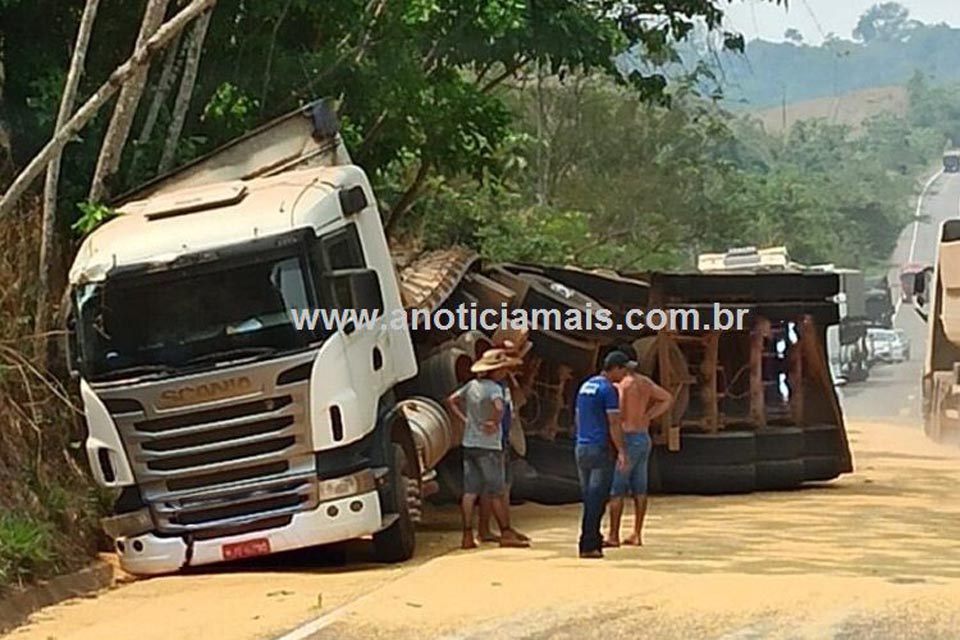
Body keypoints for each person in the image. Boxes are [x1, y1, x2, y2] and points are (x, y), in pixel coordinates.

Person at [447, 349, 529, 550]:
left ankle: (467, 535)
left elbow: (451, 400)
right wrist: (495, 422)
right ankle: (506, 531)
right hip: (489, 445)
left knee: (470, 492)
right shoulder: (494, 389)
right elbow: (500, 407)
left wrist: (465, 420)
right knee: (497, 490)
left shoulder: (471, 386)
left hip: (470, 443)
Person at [604, 361, 673, 547]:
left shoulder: (623, 386)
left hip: (628, 435)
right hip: (643, 436)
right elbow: (667, 398)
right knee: (640, 487)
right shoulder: (645, 382)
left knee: (617, 488)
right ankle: (637, 532)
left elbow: (616, 414)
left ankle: (613, 535)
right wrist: (649, 415)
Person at [574, 350, 631, 559]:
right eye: (624, 369)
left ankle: (592, 539)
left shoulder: (585, 386)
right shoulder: (608, 390)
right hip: (600, 448)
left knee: (588, 495)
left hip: (582, 447)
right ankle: (589, 544)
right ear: (614, 368)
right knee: (596, 498)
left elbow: (579, 416)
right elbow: (614, 422)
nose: (625, 374)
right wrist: (622, 450)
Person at [477, 344, 530, 544]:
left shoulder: (502, 387)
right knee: (495, 488)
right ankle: (500, 529)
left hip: (501, 439)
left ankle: (498, 528)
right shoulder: (490, 389)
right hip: (493, 442)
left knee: (501, 487)